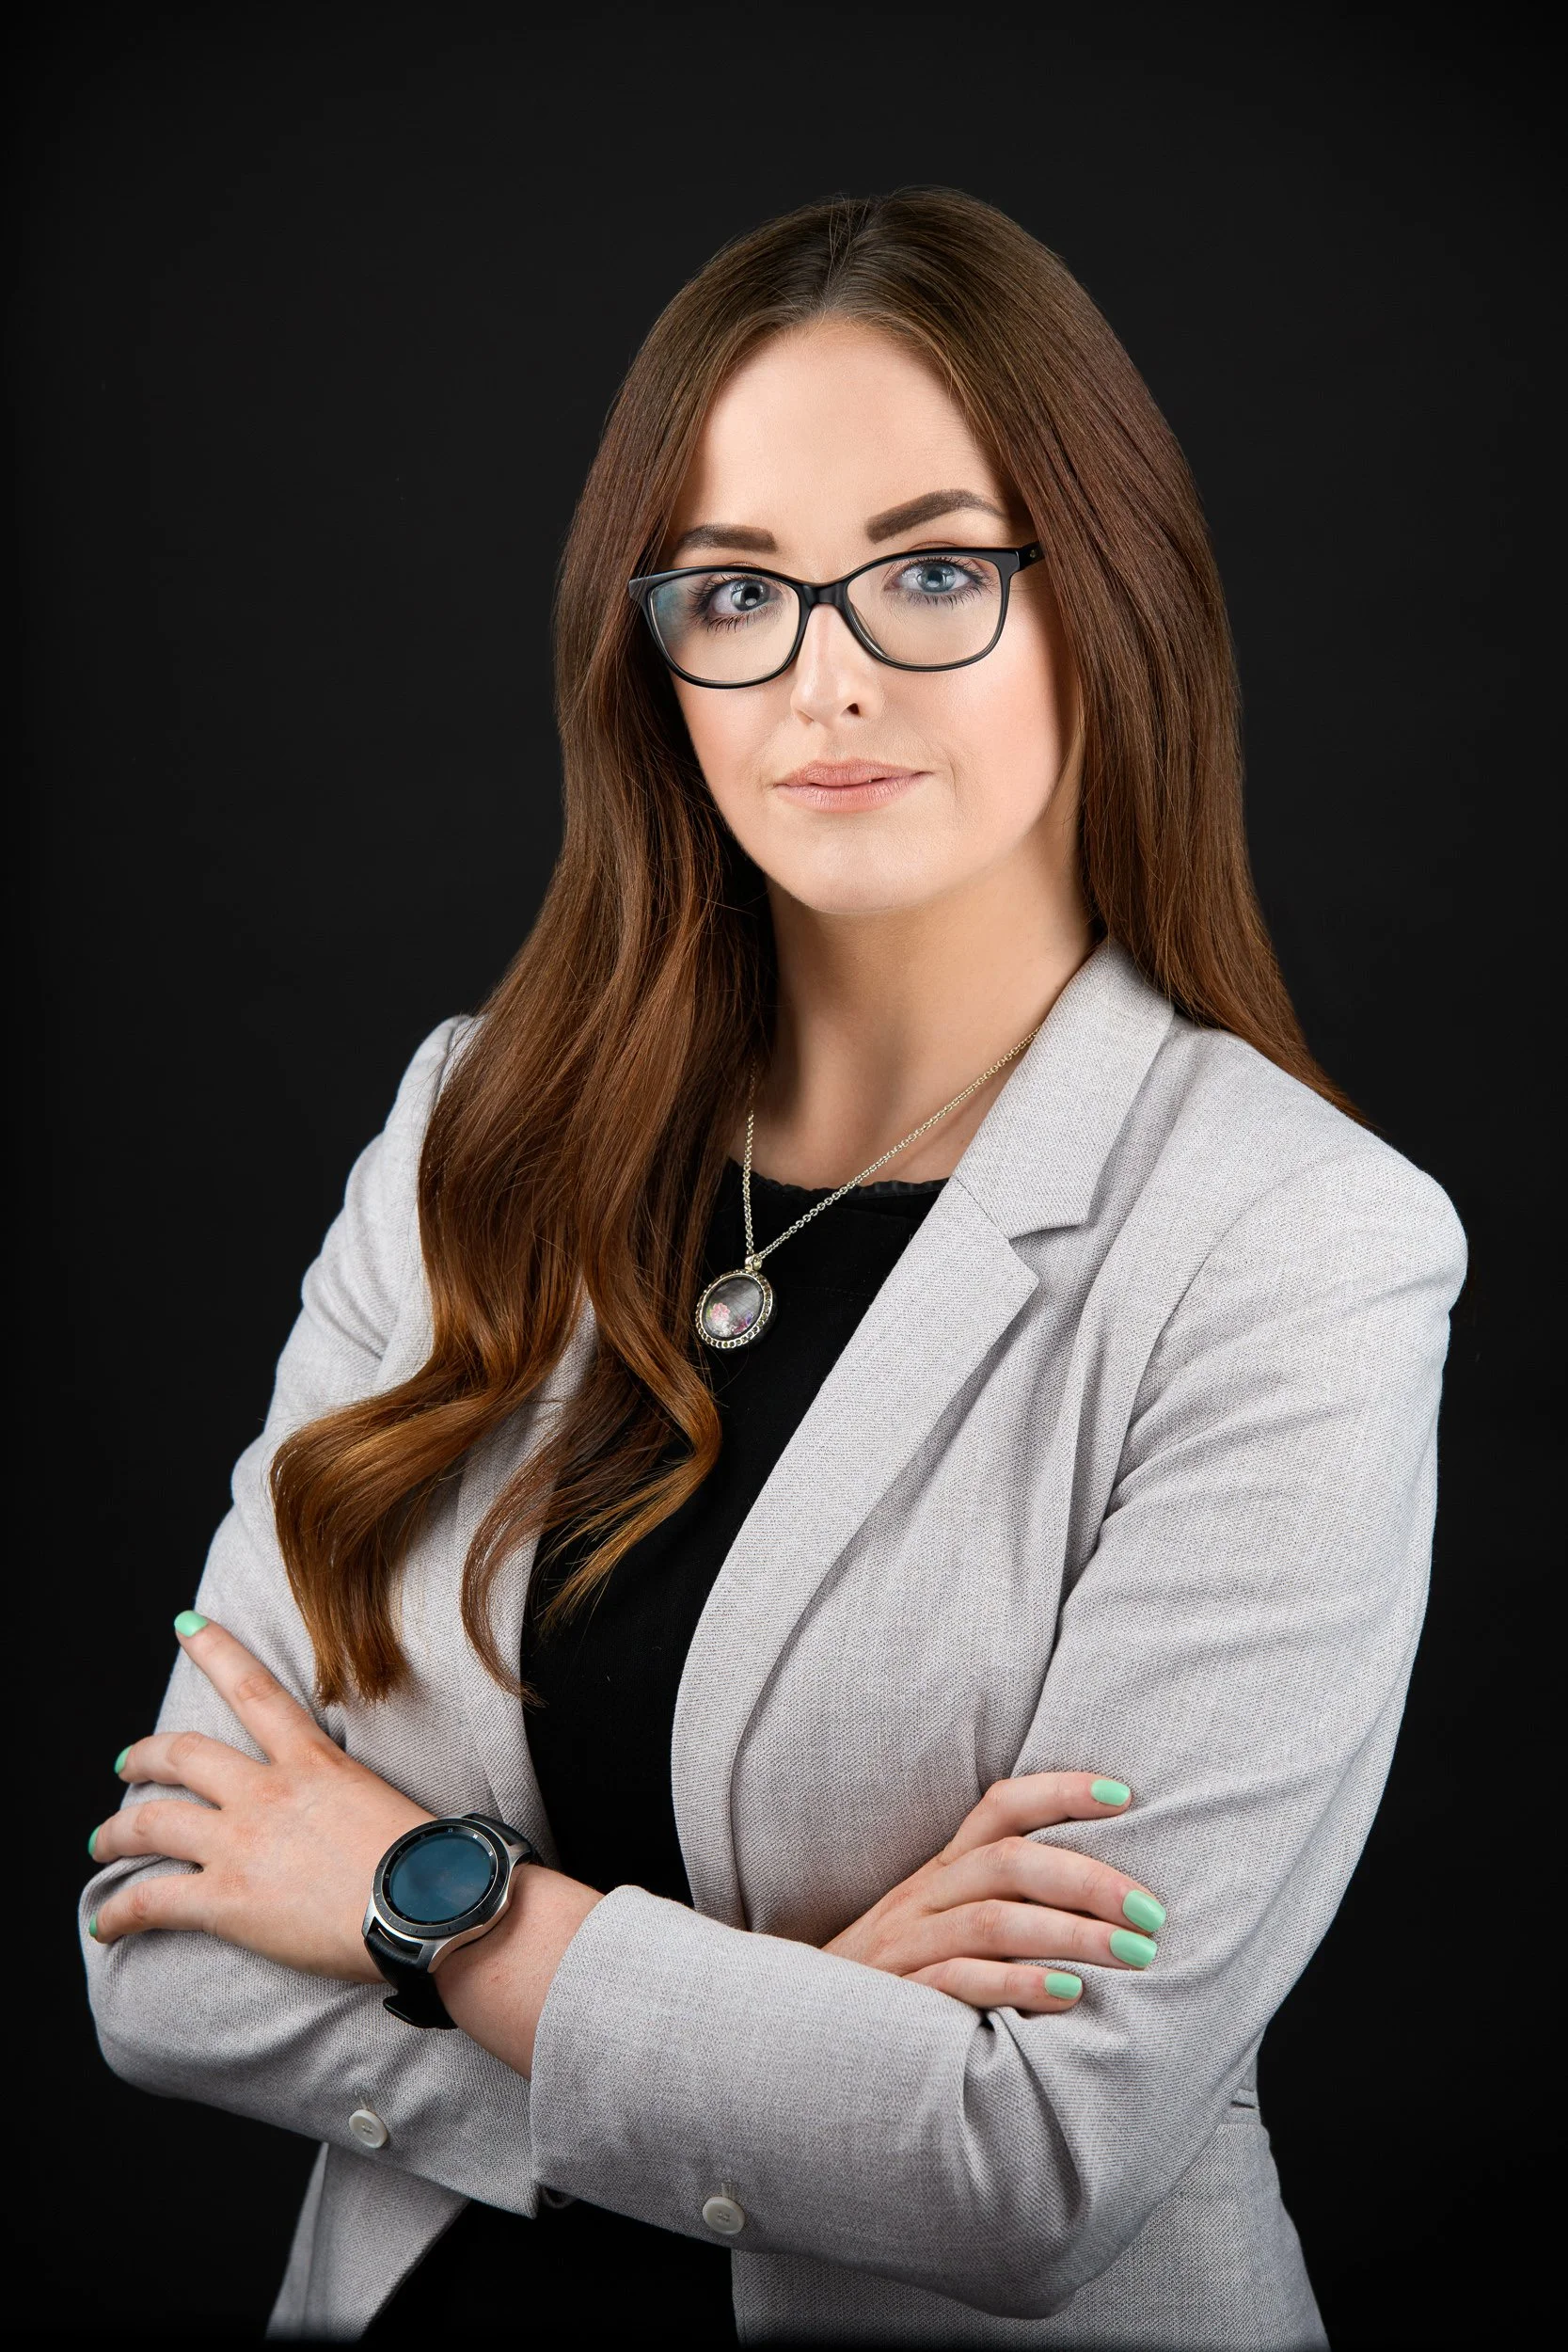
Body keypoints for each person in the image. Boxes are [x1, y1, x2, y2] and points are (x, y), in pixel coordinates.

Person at [80, 189, 1465, 2348]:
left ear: (1100, 596)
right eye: (733, 590)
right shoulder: (479, 1129)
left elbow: (1028, 2158)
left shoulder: (1292, 1242)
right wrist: (805, 2037)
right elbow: (156, 1942)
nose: (825, 675)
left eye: (926, 570)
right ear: (652, 655)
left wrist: (426, 1908)